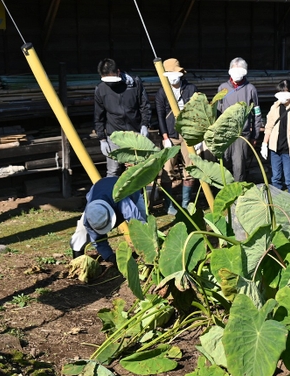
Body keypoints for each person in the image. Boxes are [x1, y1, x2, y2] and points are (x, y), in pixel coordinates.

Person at [94, 58, 152, 177]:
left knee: (136, 170)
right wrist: (102, 139)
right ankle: (113, 195)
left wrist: (145, 125)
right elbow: (99, 115)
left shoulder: (134, 84)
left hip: (134, 133)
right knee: (113, 170)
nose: (110, 84)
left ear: (118, 72)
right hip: (114, 134)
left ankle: (137, 196)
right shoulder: (101, 89)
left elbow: (144, 105)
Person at [155, 58, 198, 215]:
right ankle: (169, 204)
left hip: (187, 134)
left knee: (191, 168)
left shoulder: (191, 89)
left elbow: (196, 112)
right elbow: (160, 115)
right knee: (168, 170)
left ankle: (186, 203)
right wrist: (165, 137)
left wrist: (197, 136)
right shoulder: (162, 92)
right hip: (171, 135)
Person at [70, 177, 147, 263]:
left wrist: (146, 247)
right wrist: (109, 256)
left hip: (129, 192)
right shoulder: (90, 216)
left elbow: (138, 223)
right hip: (99, 190)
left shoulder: (123, 202)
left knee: (144, 226)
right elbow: (97, 239)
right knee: (81, 230)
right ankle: (77, 257)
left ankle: (149, 254)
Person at [217, 57, 262, 182]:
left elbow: (256, 113)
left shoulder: (251, 89)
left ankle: (238, 197)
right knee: (224, 166)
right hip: (225, 134)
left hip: (242, 135)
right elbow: (218, 111)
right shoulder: (222, 88)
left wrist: (255, 135)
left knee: (239, 167)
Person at [260, 80, 290, 196]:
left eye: (285, 91)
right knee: (276, 178)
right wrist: (265, 144)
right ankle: (277, 202)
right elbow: (269, 126)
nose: (283, 94)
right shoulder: (274, 108)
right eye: (280, 91)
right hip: (275, 149)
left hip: (288, 150)